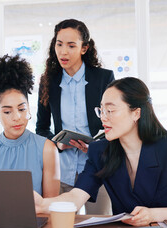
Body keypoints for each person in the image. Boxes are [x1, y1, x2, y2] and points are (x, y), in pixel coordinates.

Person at [34, 77, 167, 226]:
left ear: (136, 113)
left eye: (110, 110)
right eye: (101, 110)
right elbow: (75, 197)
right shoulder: (100, 151)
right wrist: (42, 205)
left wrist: (154, 214)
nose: (103, 117)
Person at [36, 19, 114, 193]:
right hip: (62, 172)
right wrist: (57, 143)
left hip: (98, 168)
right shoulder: (48, 81)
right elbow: (41, 128)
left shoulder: (104, 78)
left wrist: (94, 146)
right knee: (61, 218)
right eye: (59, 44)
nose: (63, 52)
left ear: (84, 48)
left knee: (100, 220)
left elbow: (115, 123)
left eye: (71, 46)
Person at [0, 54, 60, 198]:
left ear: (29, 109)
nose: (17, 117)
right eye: (7, 111)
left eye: (21, 109)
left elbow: (49, 206)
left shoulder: (47, 149)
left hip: (38, 220)